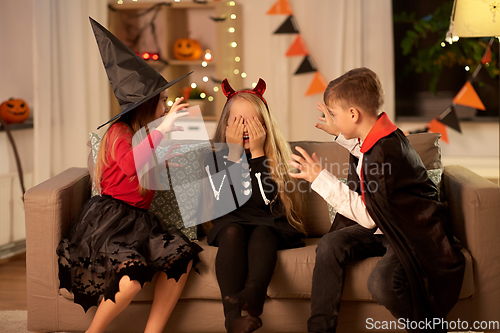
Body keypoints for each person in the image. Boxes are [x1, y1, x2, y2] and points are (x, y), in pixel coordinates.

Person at [288, 67, 465, 333]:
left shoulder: (385, 152)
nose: (333, 119)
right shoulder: (380, 135)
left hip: (407, 231)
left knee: (382, 283)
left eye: (335, 114)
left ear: (353, 114)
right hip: (386, 224)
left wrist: (319, 178)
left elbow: (370, 215)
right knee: (330, 244)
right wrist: (340, 134)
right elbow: (365, 153)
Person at [57, 18, 201, 333]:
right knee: (131, 281)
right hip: (109, 221)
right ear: (147, 104)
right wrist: (163, 129)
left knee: (181, 256)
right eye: (162, 101)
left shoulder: (145, 132)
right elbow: (130, 166)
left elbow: (144, 173)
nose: (165, 107)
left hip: (139, 220)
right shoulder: (119, 132)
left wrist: (167, 161)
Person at [203, 78, 306, 333]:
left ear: (265, 125)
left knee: (262, 233)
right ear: (226, 125)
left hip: (269, 222)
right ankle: (232, 317)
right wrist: (234, 155)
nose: (245, 128)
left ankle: (255, 294)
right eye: (238, 121)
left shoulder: (278, 157)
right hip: (231, 221)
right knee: (232, 231)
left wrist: (258, 156)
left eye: (251, 121)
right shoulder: (214, 158)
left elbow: (267, 202)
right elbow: (224, 203)